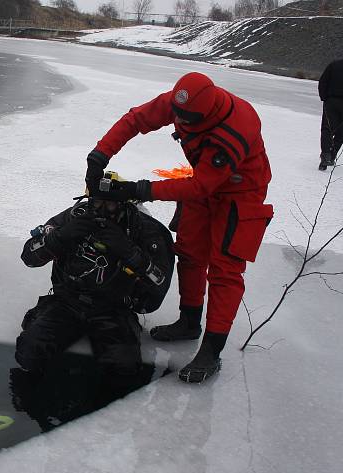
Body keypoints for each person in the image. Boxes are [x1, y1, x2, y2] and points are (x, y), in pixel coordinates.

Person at [84, 72, 274, 383]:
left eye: (188, 120)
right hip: (203, 183)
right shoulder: (181, 101)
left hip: (241, 193)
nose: (180, 123)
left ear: (206, 115)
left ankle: (212, 351)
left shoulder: (234, 130)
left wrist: (138, 190)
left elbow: (200, 187)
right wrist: (99, 154)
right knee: (189, 253)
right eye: (177, 116)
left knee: (225, 268)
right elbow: (136, 120)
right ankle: (189, 322)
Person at [15, 178, 174, 378]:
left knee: (123, 371)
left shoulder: (143, 230)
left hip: (113, 308)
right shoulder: (75, 216)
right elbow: (28, 257)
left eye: (110, 204)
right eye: (97, 202)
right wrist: (60, 237)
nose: (103, 210)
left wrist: (130, 253)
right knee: (28, 353)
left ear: (125, 204)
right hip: (68, 302)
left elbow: (159, 285)